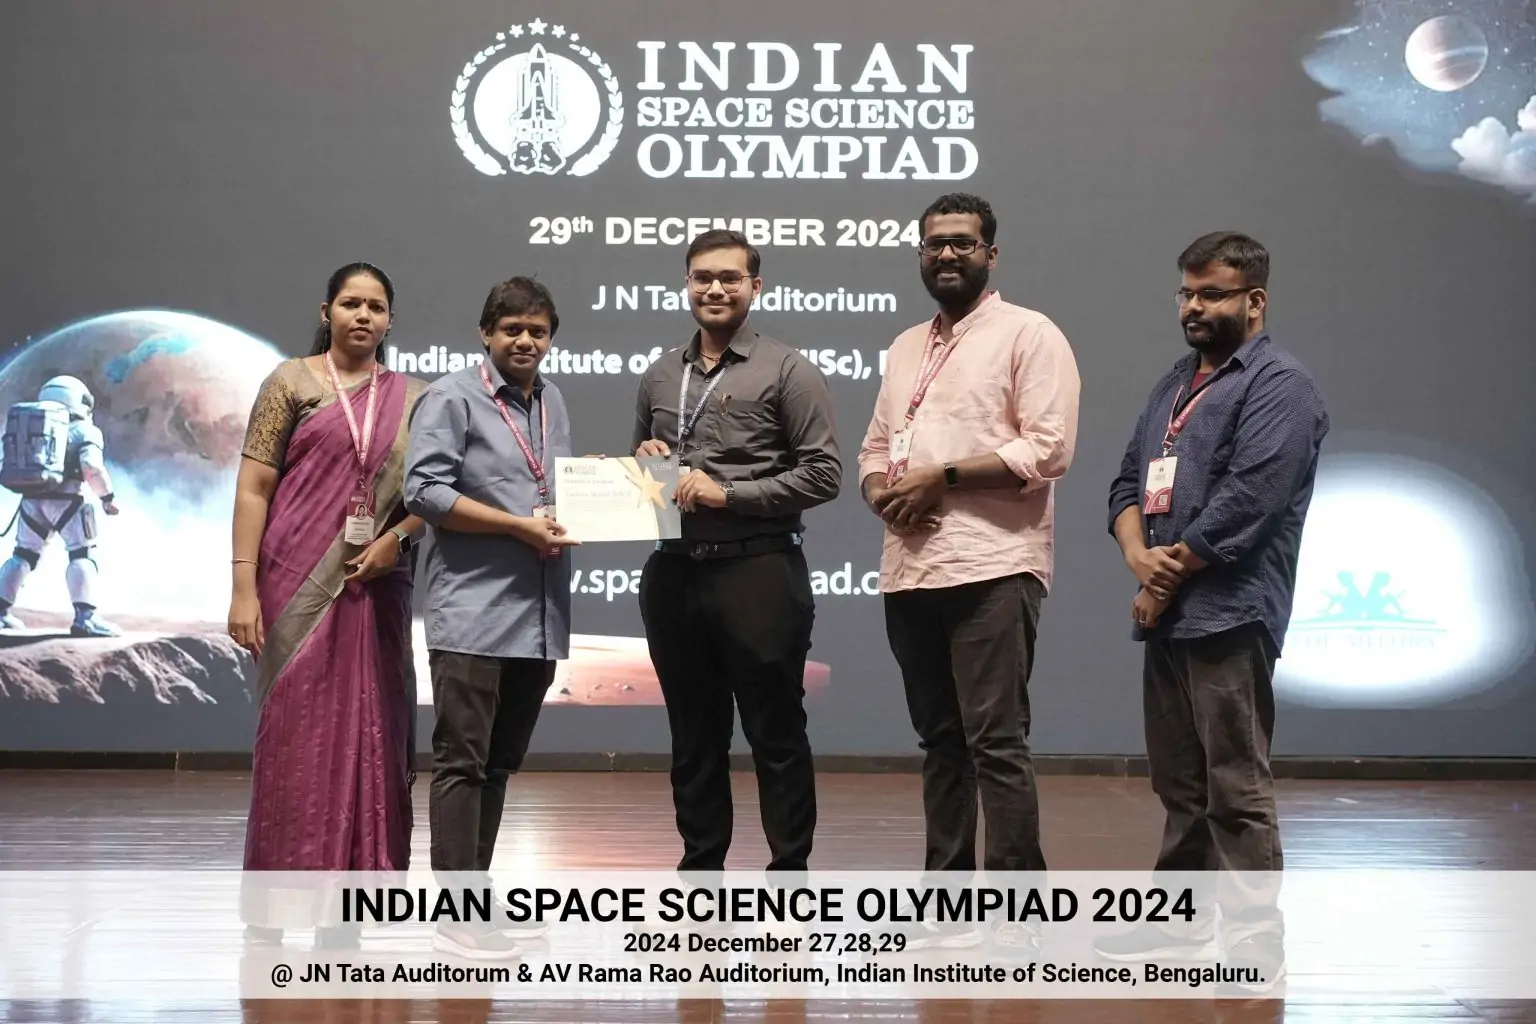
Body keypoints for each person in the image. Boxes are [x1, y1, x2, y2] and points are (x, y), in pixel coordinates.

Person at [1099, 231, 1328, 988]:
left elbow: (1247, 504)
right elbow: (1126, 483)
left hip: (1231, 611)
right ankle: (1178, 925)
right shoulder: (1175, 383)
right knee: (1180, 783)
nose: (1194, 307)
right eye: (1187, 293)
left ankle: (1255, 942)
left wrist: (1159, 580)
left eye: (1213, 294)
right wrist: (1138, 557)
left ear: (1254, 301)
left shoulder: (1280, 385)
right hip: (1167, 614)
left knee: (1235, 783)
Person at [857, 193, 1080, 950]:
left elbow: (1049, 448)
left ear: (991, 253)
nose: (946, 254)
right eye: (933, 244)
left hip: (993, 566)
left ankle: (1018, 914)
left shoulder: (1030, 333)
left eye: (962, 242)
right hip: (911, 569)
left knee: (996, 743)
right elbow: (875, 448)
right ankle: (947, 903)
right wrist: (882, 493)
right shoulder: (903, 346)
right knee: (940, 744)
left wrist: (942, 477)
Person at [229, 262, 427, 948]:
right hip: (293, 581)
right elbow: (254, 487)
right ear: (327, 312)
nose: (362, 315)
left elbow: (434, 494)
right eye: (350, 303)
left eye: (375, 306)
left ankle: (348, 911)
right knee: (294, 741)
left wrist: (399, 538)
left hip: (377, 586)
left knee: (374, 735)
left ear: (390, 320)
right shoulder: (290, 383)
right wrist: (243, 586)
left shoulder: (415, 398)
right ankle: (273, 908)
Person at [633, 229, 841, 874]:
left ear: (756, 286)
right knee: (693, 736)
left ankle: (790, 873)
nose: (715, 288)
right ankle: (701, 871)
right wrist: (646, 460)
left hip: (759, 570)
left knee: (776, 732)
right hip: (674, 574)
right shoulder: (660, 374)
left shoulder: (788, 370)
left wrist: (727, 493)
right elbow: (645, 475)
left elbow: (824, 476)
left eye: (729, 277)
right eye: (702, 277)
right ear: (687, 285)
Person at [404, 276, 579, 959]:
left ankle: (475, 896)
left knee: (499, 765)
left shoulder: (552, 400)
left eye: (538, 331)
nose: (526, 341)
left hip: (538, 613)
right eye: (512, 329)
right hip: (473, 612)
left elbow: (551, 486)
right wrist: (515, 526)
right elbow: (424, 491)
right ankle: (456, 914)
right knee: (463, 763)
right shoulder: (451, 397)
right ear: (486, 333)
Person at [0, 376, 122, 637]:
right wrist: (107, 498)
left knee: (23, 555)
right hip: (68, 501)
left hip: (31, 500)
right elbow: (92, 467)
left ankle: (0, 613)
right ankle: (85, 618)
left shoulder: (33, 426)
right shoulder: (86, 431)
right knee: (82, 555)